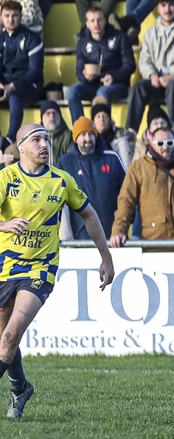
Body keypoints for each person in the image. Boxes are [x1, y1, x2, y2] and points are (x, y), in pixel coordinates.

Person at [0, 123, 114, 419]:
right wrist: (4, 225)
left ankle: (19, 389)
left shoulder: (61, 180)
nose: (44, 144)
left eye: (46, 139)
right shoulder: (6, 178)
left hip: (41, 268)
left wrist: (106, 257)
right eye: (36, 139)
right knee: (4, 339)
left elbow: (89, 214)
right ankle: (20, 388)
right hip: (5, 267)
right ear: (20, 147)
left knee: (11, 334)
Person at [124, 0, 174, 136]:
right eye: (163, 5)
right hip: (158, 82)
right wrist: (151, 75)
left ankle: (173, 134)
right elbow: (144, 61)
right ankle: (130, 135)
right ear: (158, 8)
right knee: (137, 87)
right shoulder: (150, 33)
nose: (167, 9)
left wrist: (172, 75)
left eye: (171, 4)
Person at [110, 126, 174, 245]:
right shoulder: (138, 168)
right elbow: (126, 202)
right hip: (153, 244)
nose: (165, 147)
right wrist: (119, 230)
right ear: (152, 144)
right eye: (160, 143)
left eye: (169, 143)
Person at [57, 116, 126, 240]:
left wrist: (121, 228)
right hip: (82, 240)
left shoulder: (112, 158)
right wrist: (68, 238)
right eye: (83, 135)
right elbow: (59, 201)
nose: (87, 139)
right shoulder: (65, 163)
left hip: (113, 237)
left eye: (90, 134)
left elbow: (127, 193)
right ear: (75, 138)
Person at [66, 6, 136, 121]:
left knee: (102, 92)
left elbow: (130, 65)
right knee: (71, 92)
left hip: (118, 85)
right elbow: (79, 70)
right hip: (92, 85)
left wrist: (113, 77)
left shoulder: (120, 37)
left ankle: (103, 128)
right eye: (92, 20)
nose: (96, 24)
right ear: (87, 24)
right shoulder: (82, 43)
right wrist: (86, 77)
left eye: (99, 19)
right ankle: (80, 128)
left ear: (105, 20)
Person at [0, 0, 43, 143]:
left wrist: (12, 86)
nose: (10, 20)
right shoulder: (1, 38)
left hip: (30, 86)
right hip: (5, 85)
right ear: (1, 17)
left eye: (14, 16)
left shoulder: (33, 38)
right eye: (7, 16)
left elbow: (34, 72)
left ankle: (11, 139)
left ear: (21, 16)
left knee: (14, 96)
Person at [91, 98, 133, 167]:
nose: (102, 120)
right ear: (93, 121)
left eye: (105, 116)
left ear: (110, 120)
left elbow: (126, 167)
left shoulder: (121, 139)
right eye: (98, 117)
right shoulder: (90, 139)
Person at [39, 100, 72, 166]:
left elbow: (71, 161)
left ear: (60, 116)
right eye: (48, 114)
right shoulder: (36, 137)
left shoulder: (69, 135)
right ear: (42, 118)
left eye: (55, 113)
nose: (52, 116)